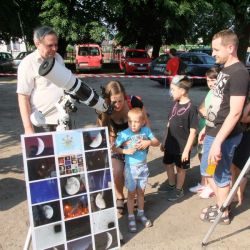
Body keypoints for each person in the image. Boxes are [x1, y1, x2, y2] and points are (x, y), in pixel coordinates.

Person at [199, 29, 249, 225]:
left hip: (224, 137)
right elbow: (219, 103)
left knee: (220, 174)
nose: (213, 54)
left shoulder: (239, 73)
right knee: (208, 170)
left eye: (216, 49)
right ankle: (222, 204)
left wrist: (218, 142)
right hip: (213, 131)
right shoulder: (225, 69)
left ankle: (223, 212)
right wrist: (207, 129)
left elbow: (235, 113)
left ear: (230, 48)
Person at [96, 80, 150, 214]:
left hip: (136, 145)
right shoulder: (102, 108)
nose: (118, 105)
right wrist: (109, 143)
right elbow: (101, 130)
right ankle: (120, 196)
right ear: (108, 100)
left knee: (136, 173)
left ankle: (137, 196)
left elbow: (146, 124)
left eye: (120, 100)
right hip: (117, 145)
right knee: (116, 171)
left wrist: (145, 141)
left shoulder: (134, 103)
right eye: (114, 101)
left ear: (125, 96)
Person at [113, 108, 160, 233]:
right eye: (130, 121)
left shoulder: (146, 131)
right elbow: (113, 147)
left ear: (143, 122)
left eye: (136, 122)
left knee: (141, 192)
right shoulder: (124, 134)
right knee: (131, 194)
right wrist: (125, 151)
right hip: (131, 169)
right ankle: (130, 216)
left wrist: (148, 142)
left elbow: (157, 142)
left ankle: (140, 213)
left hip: (143, 167)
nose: (132, 124)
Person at [17, 26, 65, 134]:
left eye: (56, 45)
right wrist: (28, 128)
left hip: (63, 119)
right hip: (43, 123)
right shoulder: (28, 63)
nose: (54, 49)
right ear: (37, 44)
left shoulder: (58, 58)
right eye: (50, 45)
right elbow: (23, 97)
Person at [159, 75, 198, 201]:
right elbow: (169, 124)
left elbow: (193, 132)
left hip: (182, 147)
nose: (171, 92)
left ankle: (178, 189)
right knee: (168, 164)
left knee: (180, 169)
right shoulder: (175, 104)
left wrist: (187, 150)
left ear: (182, 91)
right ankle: (171, 185)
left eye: (173, 90)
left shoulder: (191, 108)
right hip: (170, 144)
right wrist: (164, 141)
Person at [189, 67, 220, 199]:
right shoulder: (210, 93)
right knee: (201, 156)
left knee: (211, 160)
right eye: (208, 80)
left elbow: (215, 116)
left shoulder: (220, 95)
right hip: (204, 128)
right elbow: (200, 107)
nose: (211, 83)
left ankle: (210, 186)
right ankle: (203, 183)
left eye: (214, 80)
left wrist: (206, 115)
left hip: (211, 131)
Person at [230, 99, 250, 206]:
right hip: (241, 136)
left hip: (247, 140)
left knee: (243, 170)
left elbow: (243, 118)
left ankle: (239, 194)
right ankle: (233, 190)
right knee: (233, 166)